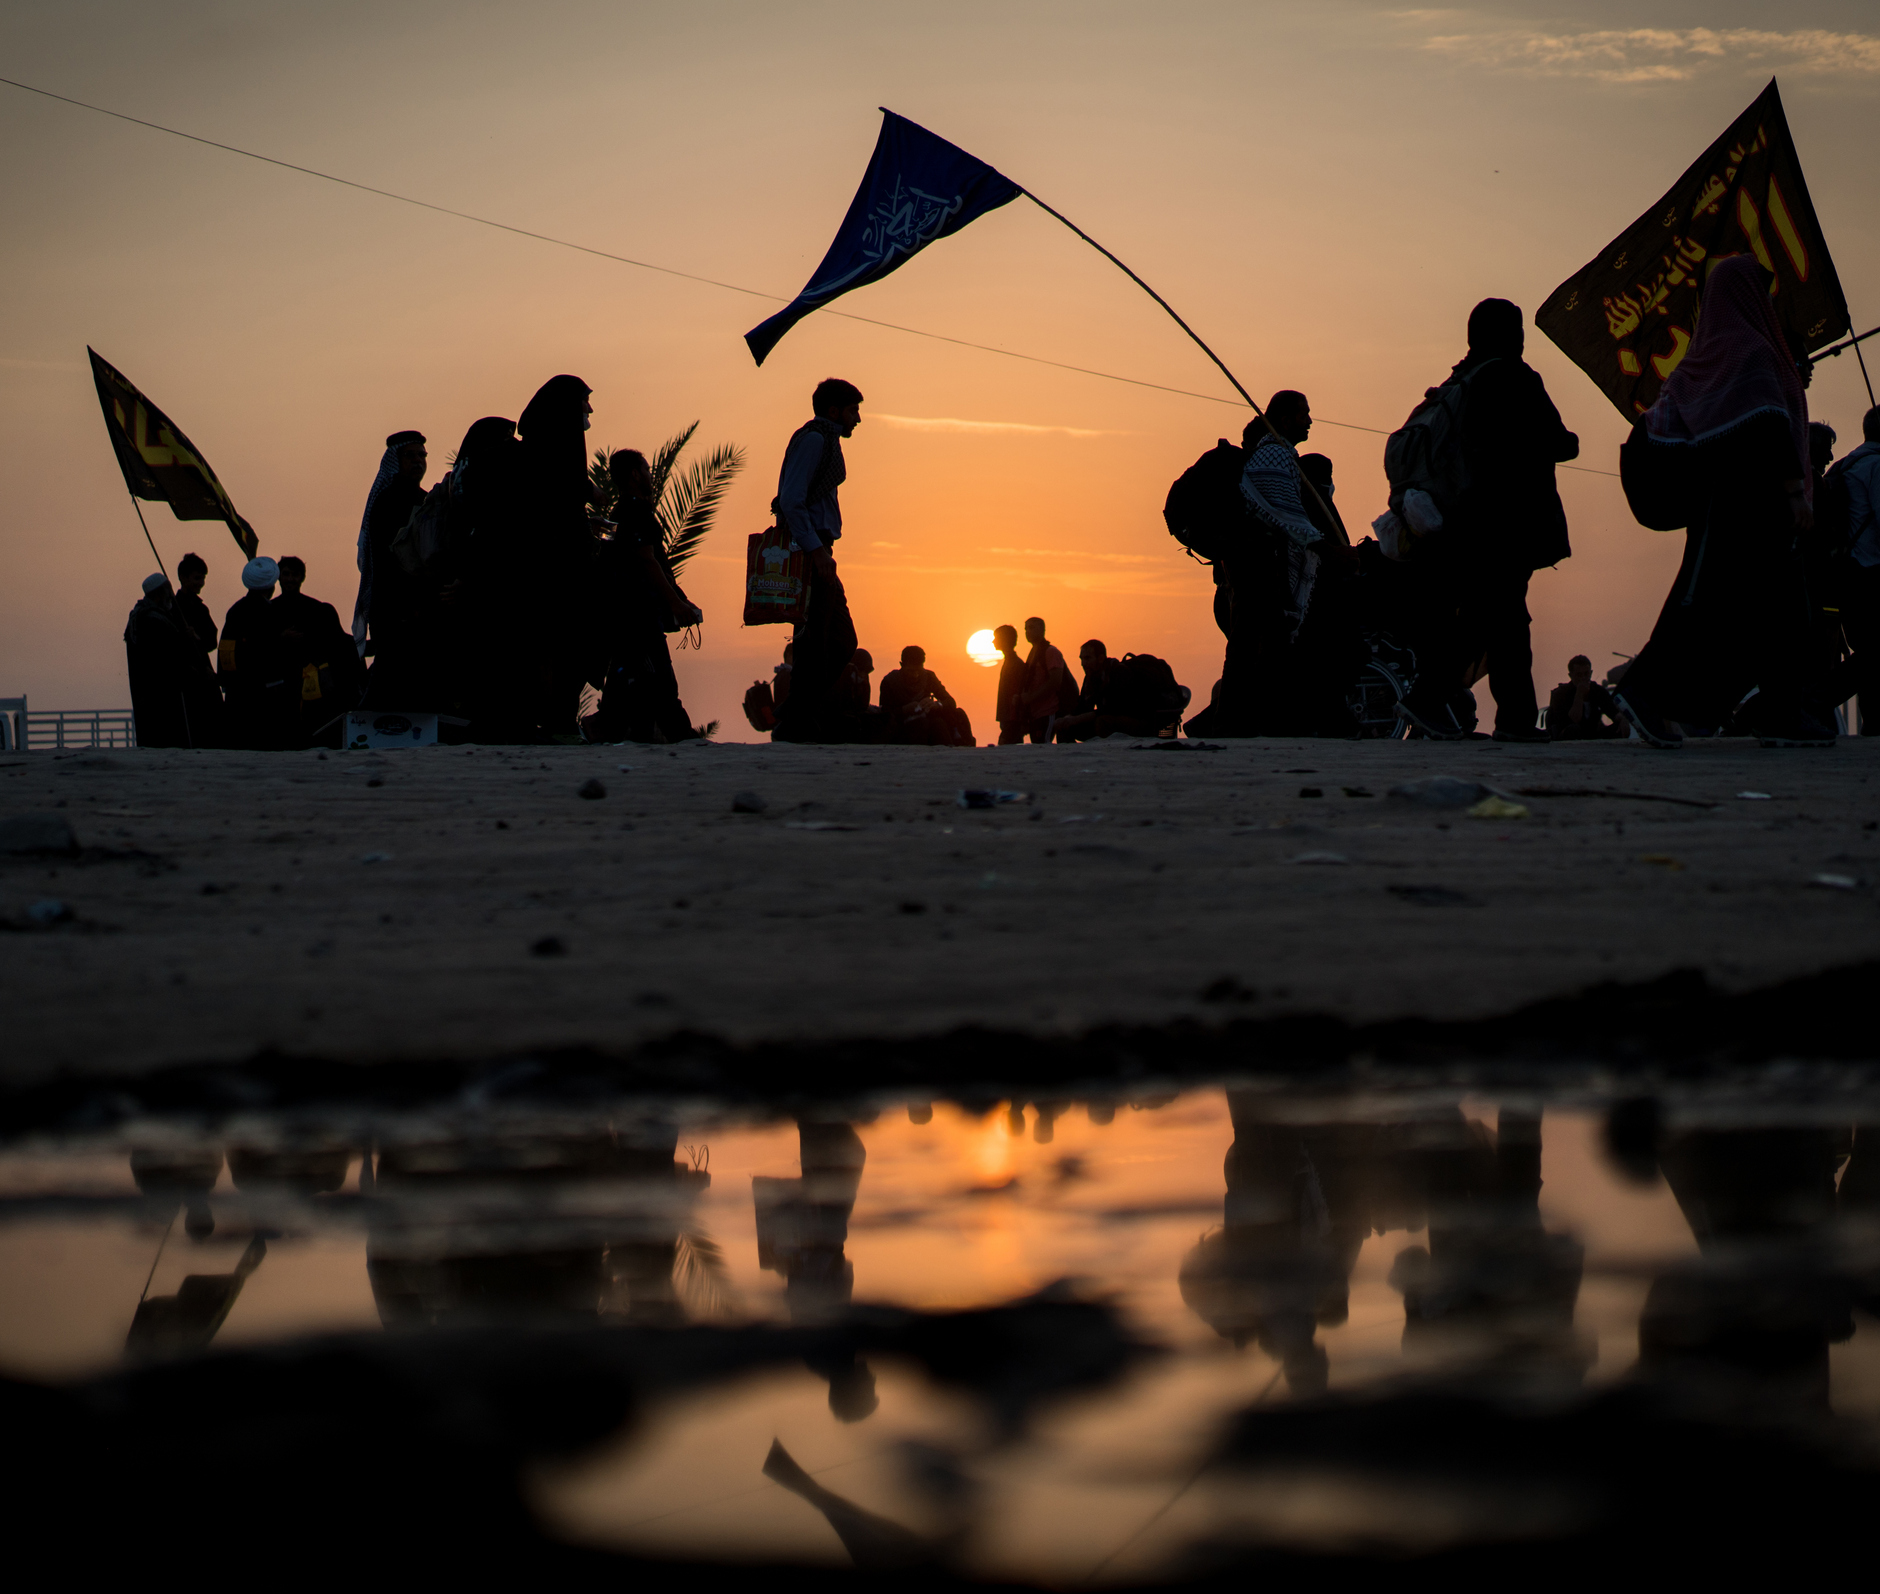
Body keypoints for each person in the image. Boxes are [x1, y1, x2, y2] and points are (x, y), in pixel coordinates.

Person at [1610, 257, 1831, 748]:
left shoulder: (1710, 352)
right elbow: (1769, 421)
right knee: (1710, 603)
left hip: (1743, 501)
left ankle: (1778, 712)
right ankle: (1645, 693)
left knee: (1779, 612)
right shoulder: (1747, 350)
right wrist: (1796, 492)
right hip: (1741, 503)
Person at [1394, 300, 1578, 744]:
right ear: (1508, 334)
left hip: (1466, 519)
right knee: (1498, 616)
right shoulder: (1513, 376)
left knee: (1498, 616)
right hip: (1506, 518)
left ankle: (1506, 717)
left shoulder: (1460, 381)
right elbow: (1557, 441)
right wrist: (1567, 441)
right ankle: (1436, 701)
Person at [773, 378, 864, 742]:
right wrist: (816, 551)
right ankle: (797, 720)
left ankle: (798, 712)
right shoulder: (813, 440)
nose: (857, 418)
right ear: (833, 411)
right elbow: (791, 500)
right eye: (853, 411)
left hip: (821, 549)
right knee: (815, 641)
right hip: (811, 550)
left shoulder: (826, 442)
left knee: (839, 640)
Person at [590, 448, 702, 743]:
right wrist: (675, 603)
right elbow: (647, 560)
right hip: (636, 613)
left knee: (630, 676)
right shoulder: (635, 512)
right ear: (635, 474)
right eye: (647, 470)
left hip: (626, 612)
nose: (651, 476)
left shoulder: (619, 513)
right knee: (659, 679)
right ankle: (680, 736)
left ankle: (622, 729)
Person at [516, 375, 603, 734]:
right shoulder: (544, 455)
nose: (590, 409)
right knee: (561, 644)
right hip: (554, 568)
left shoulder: (546, 449)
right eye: (584, 401)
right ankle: (557, 722)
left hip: (556, 561)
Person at [272, 557, 363, 747]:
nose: (290, 579)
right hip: (281, 682)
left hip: (316, 681)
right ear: (278, 577)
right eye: (286, 574)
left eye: (295, 575)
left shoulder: (317, 608)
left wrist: (363, 646)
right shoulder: (269, 610)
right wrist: (280, 638)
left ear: (302, 578)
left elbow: (339, 641)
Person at [352, 429, 426, 657]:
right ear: (396, 460)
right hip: (393, 610)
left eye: (422, 456)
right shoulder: (386, 503)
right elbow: (388, 561)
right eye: (410, 456)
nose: (418, 461)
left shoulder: (426, 499)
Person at [124, 573, 221, 748]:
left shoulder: (141, 617)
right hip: (163, 695)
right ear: (160, 594)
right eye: (168, 592)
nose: (171, 597)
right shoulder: (153, 620)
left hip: (148, 694)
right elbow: (169, 658)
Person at [1829, 407, 1880, 730]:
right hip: (1872, 572)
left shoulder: (1847, 463)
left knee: (1869, 652)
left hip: (1846, 574)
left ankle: (1874, 723)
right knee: (1873, 656)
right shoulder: (1876, 466)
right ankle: (1815, 699)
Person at [219, 557, 292, 749]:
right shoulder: (269, 612)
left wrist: (227, 682)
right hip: (263, 691)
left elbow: (226, 650)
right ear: (272, 586)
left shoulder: (235, 610)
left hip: (237, 690)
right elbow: (269, 653)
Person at [1053, 640, 1163, 741]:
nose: (1083, 663)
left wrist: (1078, 719)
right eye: (1081, 659)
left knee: (1102, 722)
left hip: (1137, 721)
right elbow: (1083, 706)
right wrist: (1068, 718)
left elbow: (1113, 709)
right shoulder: (1091, 677)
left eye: (1087, 658)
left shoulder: (1118, 672)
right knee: (1065, 725)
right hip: (1110, 719)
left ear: (1100, 658)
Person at [877, 646, 973, 745]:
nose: (915, 675)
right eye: (910, 671)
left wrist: (937, 705)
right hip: (903, 729)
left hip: (933, 725)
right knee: (923, 724)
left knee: (945, 721)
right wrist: (904, 710)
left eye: (919, 670)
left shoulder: (929, 677)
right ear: (901, 665)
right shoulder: (890, 682)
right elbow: (884, 714)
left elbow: (950, 702)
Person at [1018, 616, 1075, 743]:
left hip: (1049, 710)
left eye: (1032, 627)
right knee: (1039, 746)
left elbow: (1055, 682)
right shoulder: (1033, 653)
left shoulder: (1051, 652)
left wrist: (1031, 697)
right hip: (1035, 713)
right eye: (1026, 628)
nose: (1028, 631)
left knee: (1043, 746)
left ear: (1042, 629)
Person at [1547, 654, 1626, 740]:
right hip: (1568, 736)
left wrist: (1621, 720)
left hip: (1593, 734)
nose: (1583, 678)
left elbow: (1612, 711)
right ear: (1571, 675)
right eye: (1579, 675)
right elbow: (1574, 719)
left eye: (1586, 674)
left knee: (1620, 727)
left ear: (1591, 673)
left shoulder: (1598, 691)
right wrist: (1579, 694)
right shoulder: (1561, 693)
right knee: (1574, 729)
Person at [173, 552, 218, 657]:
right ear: (183, 577)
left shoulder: (202, 609)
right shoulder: (172, 608)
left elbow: (212, 642)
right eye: (197, 578)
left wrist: (197, 637)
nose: (201, 583)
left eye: (203, 578)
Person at [992, 624, 1026, 745]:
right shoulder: (1009, 662)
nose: (993, 641)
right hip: (1008, 718)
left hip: (1013, 719)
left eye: (996, 638)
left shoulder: (1015, 664)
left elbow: (1016, 693)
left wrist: (1013, 719)